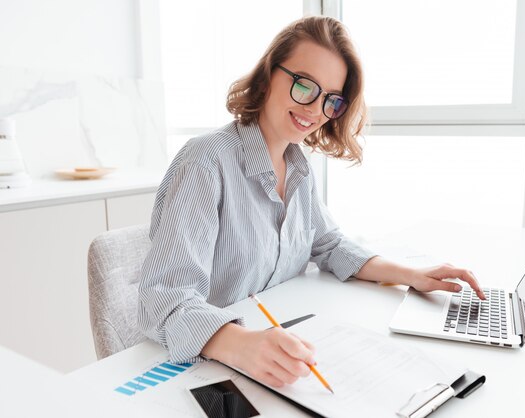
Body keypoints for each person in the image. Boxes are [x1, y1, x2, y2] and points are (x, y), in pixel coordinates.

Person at [138, 15, 485, 389]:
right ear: (270, 73)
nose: (315, 110)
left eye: (331, 101)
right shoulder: (206, 162)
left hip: (273, 355)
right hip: (203, 366)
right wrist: (243, 346)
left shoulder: (298, 167)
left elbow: (330, 245)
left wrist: (412, 276)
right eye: (305, 86)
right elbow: (166, 300)